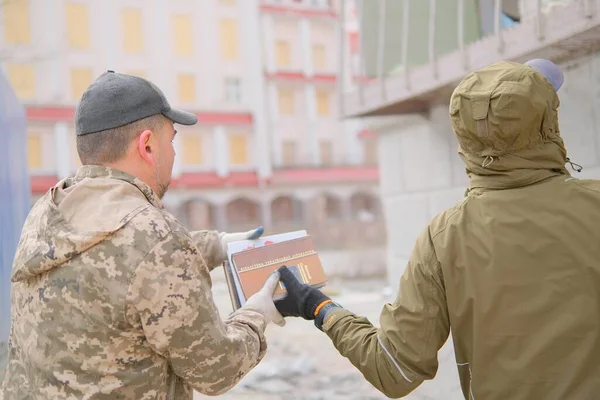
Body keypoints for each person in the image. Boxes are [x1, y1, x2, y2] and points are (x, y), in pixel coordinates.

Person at [274, 59, 600, 400]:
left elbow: (394, 370)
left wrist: (318, 306)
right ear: (548, 125)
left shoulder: (445, 237)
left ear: (464, 138)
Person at [0, 71, 284, 399]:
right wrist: (257, 314)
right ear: (147, 145)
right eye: (172, 141)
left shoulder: (44, 213)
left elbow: (120, 260)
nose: (174, 155)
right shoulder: (158, 239)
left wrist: (217, 244)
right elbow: (215, 369)